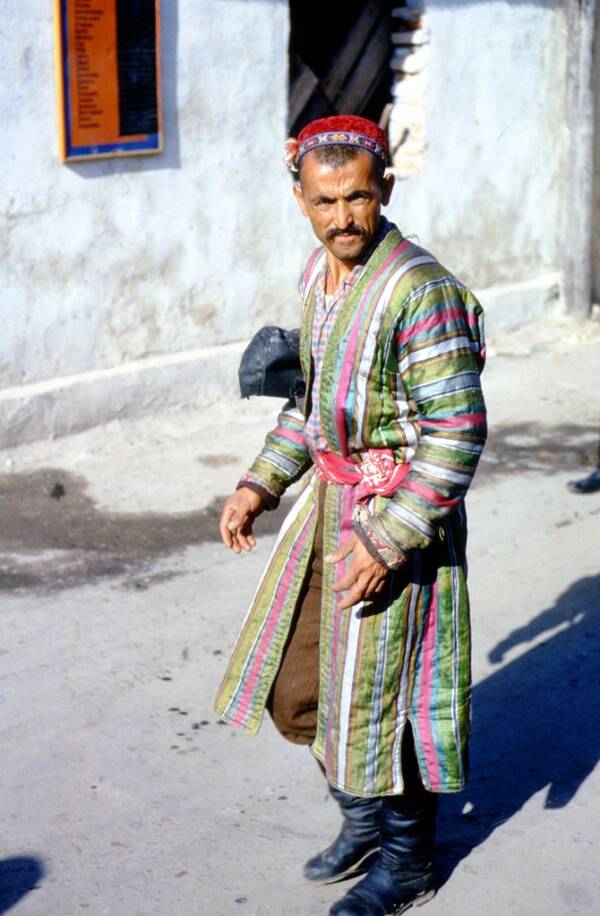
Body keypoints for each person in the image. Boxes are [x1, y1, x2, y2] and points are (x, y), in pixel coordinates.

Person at [215, 114, 487, 916]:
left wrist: (388, 537)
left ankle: (408, 858)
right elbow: (312, 404)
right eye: (326, 201)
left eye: (359, 198)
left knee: (382, 694)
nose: (344, 218)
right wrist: (258, 485)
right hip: (327, 508)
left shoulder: (421, 290)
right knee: (299, 680)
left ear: (386, 191)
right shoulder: (319, 275)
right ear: (299, 198)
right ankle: (362, 817)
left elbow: (456, 434)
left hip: (395, 519)